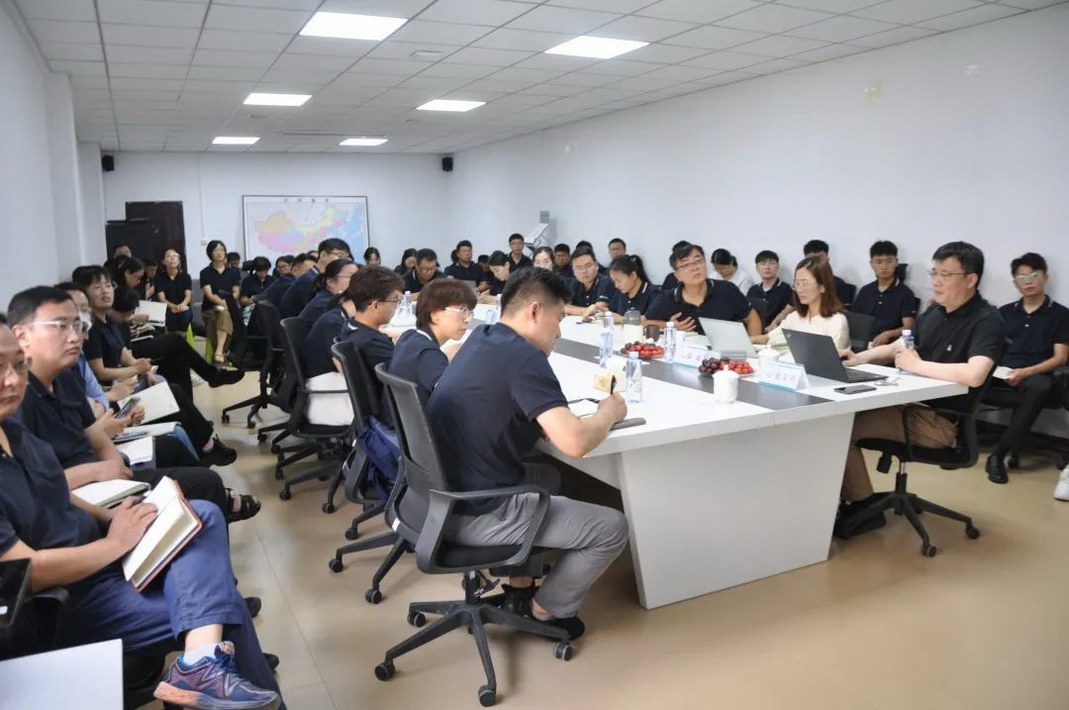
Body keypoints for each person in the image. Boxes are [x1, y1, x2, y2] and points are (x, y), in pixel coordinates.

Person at [0, 323, 284, 709]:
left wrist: (107, 516)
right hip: (66, 601)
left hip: (102, 562)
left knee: (200, 514)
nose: (12, 379)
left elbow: (56, 491)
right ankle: (200, 670)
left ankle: (199, 666)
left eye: (18, 365)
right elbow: (21, 569)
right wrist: (114, 543)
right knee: (222, 607)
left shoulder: (15, 434)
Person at [426, 267, 629, 640]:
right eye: (559, 317)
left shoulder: (483, 337)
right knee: (612, 528)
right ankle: (546, 609)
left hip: (437, 498)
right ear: (535, 311)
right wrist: (609, 413)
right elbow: (575, 443)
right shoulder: (524, 358)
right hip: (477, 511)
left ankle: (520, 582)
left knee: (547, 476)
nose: (560, 330)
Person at [7, 286, 259, 517]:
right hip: (79, 494)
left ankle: (206, 478)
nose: (75, 337)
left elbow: (97, 436)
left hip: (104, 475)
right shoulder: (15, 400)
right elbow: (34, 485)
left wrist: (116, 467)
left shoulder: (65, 378)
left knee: (180, 450)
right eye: (60, 326)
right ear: (21, 335)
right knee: (205, 484)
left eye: (78, 325)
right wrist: (100, 472)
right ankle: (211, 492)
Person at [837, 242, 1005, 535]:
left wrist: (916, 365)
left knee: (841, 430)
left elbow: (975, 374)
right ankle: (855, 501)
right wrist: (859, 357)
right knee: (840, 417)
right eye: (934, 273)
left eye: (945, 275)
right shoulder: (935, 313)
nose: (936, 281)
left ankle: (863, 507)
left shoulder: (987, 321)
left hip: (941, 421)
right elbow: (900, 346)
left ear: (971, 279)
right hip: (912, 406)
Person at [75, 269, 240, 464]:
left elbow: (125, 355)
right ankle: (207, 445)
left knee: (177, 365)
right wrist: (136, 371)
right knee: (173, 388)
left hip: (125, 386)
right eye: (97, 287)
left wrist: (144, 370)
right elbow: (101, 372)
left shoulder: (109, 322)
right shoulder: (91, 330)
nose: (105, 291)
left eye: (108, 285)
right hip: (116, 397)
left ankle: (206, 445)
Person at [984, 252, 1069, 484]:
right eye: (1022, 277)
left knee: (1040, 387)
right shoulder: (1004, 313)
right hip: (1001, 372)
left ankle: (997, 455)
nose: (1028, 282)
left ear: (1045, 278)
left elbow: (1060, 358)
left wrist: (1026, 372)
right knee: (967, 375)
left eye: (1034, 275)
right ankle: (955, 442)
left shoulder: (1061, 314)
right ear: (1015, 283)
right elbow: (990, 348)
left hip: (1034, 374)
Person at [302, 267, 403, 426]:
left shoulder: (352, 326)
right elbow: (405, 378)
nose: (396, 306)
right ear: (375, 305)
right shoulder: (372, 342)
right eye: (395, 301)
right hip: (391, 417)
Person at [388, 279, 476, 405]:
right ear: (435, 315)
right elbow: (454, 397)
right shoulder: (428, 353)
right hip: (423, 417)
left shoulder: (409, 336)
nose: (467, 319)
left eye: (469, 312)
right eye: (462, 311)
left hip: (400, 415)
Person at [645, 243, 760, 336]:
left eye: (698, 261)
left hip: (726, 351)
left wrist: (754, 345)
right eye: (686, 265)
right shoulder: (668, 298)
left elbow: (751, 316)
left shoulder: (727, 289)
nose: (695, 268)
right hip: (688, 353)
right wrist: (669, 325)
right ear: (677, 275)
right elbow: (644, 321)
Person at [751, 257, 850, 351]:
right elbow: (769, 338)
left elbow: (831, 359)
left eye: (805, 283)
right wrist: (750, 340)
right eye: (797, 283)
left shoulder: (836, 322)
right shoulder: (794, 317)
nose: (799, 289)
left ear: (823, 286)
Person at [851, 240, 918, 346]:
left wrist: (889, 334)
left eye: (889, 261)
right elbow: (855, 320)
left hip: (888, 345)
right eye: (878, 262)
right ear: (871, 264)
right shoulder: (865, 290)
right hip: (862, 343)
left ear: (896, 262)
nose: (884, 266)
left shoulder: (905, 293)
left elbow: (909, 327)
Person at [280, 238, 351, 318]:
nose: (344, 261)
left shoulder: (313, 277)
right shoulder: (309, 281)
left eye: (346, 257)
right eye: (340, 256)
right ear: (323, 255)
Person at [199, 240, 242, 364]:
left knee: (225, 315)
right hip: (210, 309)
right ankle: (222, 352)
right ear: (210, 253)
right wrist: (224, 303)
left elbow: (236, 291)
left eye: (222, 250)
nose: (219, 253)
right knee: (222, 315)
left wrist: (229, 302)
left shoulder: (233, 272)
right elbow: (210, 295)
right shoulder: (205, 273)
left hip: (229, 307)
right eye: (216, 250)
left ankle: (219, 351)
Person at [582, 255, 659, 321]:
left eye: (619, 281)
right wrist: (597, 309)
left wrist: (622, 319)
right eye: (614, 282)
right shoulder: (622, 292)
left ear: (633, 275)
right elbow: (612, 310)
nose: (616, 285)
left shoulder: (654, 293)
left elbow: (655, 321)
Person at [297, 258, 356, 328]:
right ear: (331, 282)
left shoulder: (326, 297)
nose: (357, 281)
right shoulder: (324, 304)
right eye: (352, 276)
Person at [563, 246, 616, 316]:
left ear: (596, 265)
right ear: (573, 271)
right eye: (579, 268)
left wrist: (570, 309)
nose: (584, 271)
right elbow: (564, 307)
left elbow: (599, 310)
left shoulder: (606, 282)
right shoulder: (575, 283)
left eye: (588, 266)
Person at [746, 250, 792, 329]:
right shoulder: (753, 290)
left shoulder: (785, 289)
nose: (767, 267)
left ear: (778, 267)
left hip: (776, 331)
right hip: (754, 330)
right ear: (757, 268)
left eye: (771, 263)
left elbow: (789, 312)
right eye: (763, 264)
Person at [803, 239, 855, 307]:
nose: (816, 263)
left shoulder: (839, 285)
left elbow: (843, 311)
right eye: (812, 259)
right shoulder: (800, 283)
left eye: (820, 259)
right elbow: (792, 307)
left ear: (827, 260)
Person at [154, 249, 193, 333]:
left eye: (175, 256)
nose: (172, 258)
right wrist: (173, 306)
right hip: (167, 308)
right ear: (163, 262)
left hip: (183, 307)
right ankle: (175, 338)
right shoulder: (159, 278)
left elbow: (188, 296)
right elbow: (162, 298)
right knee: (170, 318)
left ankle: (181, 338)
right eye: (168, 256)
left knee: (185, 316)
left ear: (178, 260)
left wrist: (181, 306)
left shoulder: (185, 277)